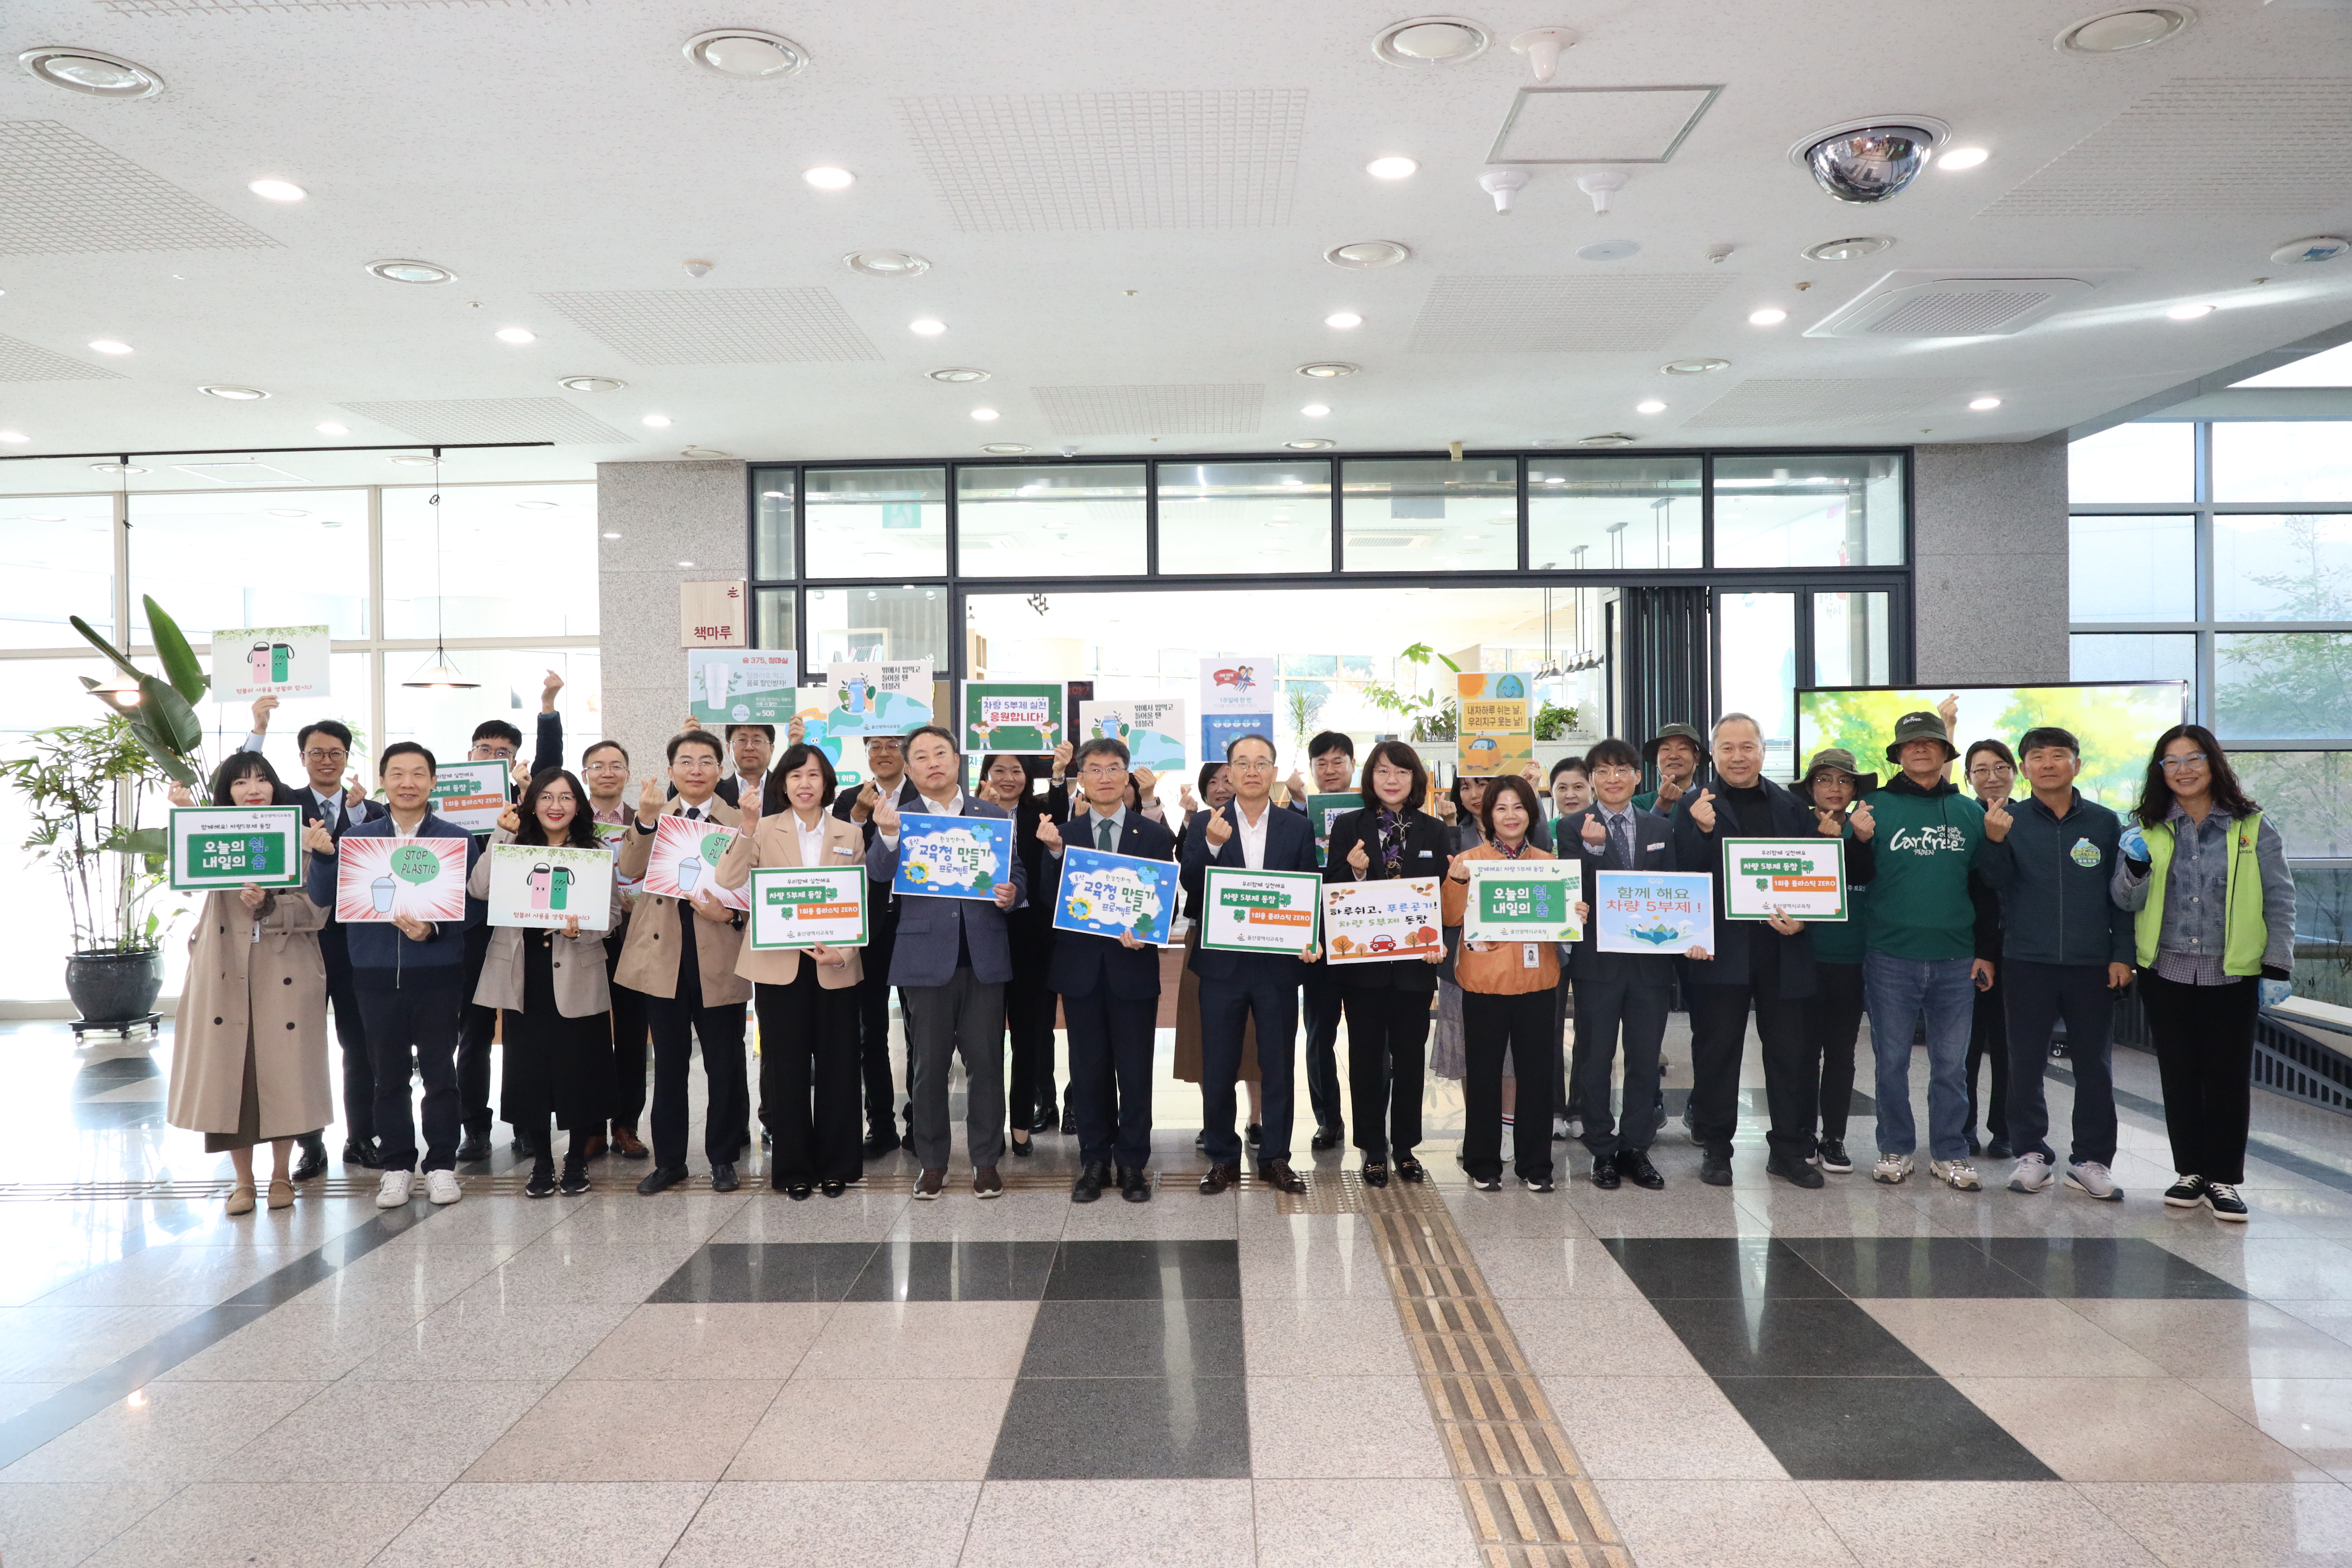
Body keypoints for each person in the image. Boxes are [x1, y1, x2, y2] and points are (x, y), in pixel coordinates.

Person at [2112, 725, 2295, 1223]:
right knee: (2179, 1073)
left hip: (2232, 970)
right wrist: (2134, 866)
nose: (2184, 770)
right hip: (2165, 968)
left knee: (2228, 1076)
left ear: (2213, 764)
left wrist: (2277, 964)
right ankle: (2190, 1171)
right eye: (2172, 762)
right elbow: (2123, 900)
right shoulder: (2148, 827)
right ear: (2161, 771)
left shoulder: (2252, 826)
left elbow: (2280, 898)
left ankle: (2224, 1179)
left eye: (2194, 759)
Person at [305, 742, 482, 1209]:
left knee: (442, 1074)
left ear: (433, 782)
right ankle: (398, 1166)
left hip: (439, 972)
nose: (408, 783)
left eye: (419, 774)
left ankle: (442, 1164)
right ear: (383, 781)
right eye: (398, 774)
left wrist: (435, 927)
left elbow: (477, 906)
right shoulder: (359, 841)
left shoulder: (457, 839)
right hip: (374, 972)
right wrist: (323, 857)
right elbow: (324, 899)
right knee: (388, 1076)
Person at [167, 753, 333, 1214]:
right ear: (227, 794)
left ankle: (282, 1175)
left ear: (276, 787)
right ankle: (243, 1181)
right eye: (241, 783)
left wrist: (268, 906)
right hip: (224, 967)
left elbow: (318, 912)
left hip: (285, 966)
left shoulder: (302, 837)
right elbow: (182, 881)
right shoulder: (211, 832)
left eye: (262, 780)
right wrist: (182, 814)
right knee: (231, 1074)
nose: (253, 789)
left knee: (285, 1072)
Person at [866, 724, 1026, 1199]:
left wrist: (1011, 893)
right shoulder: (901, 814)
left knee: (986, 1065)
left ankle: (984, 1161)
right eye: (922, 756)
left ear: (958, 761)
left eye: (942, 752)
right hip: (923, 958)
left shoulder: (991, 814)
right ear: (911, 769)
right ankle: (932, 1162)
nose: (933, 762)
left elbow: (1015, 873)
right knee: (928, 1069)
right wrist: (889, 837)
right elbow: (877, 872)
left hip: (983, 958)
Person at [1861, 709, 2013, 1191]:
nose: (1921, 749)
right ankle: (1896, 1147)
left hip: (1955, 959)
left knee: (1951, 1065)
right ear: (1899, 754)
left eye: (1930, 742)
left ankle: (1950, 1152)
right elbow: (1854, 877)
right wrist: (1859, 841)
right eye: (1911, 744)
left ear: (1946, 753)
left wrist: (1993, 843)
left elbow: (1990, 887)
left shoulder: (1970, 812)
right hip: (1890, 955)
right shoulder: (1873, 807)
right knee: (1891, 1061)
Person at [1672, 714, 1824, 1188]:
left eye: (1748, 747)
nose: (1738, 757)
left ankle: (1790, 1150)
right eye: (1728, 748)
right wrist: (1698, 832)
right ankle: (1717, 1148)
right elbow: (1681, 877)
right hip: (1720, 949)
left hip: (1783, 946)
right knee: (1717, 1052)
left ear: (1763, 750)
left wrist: (1806, 916)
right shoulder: (1693, 804)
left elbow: (1808, 875)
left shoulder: (1790, 804)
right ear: (1713, 754)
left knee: (1790, 1053)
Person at [714, 743, 867, 1198]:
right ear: (783, 784)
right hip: (780, 969)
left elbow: (857, 904)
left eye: (815, 776)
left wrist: (843, 953)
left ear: (827, 784)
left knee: (840, 1068)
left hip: (834, 967)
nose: (806, 784)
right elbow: (727, 880)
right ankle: (794, 1169)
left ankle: (838, 1163)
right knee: (788, 1070)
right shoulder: (761, 829)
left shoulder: (849, 833)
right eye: (797, 776)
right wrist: (744, 828)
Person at [237, 699, 378, 1176]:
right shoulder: (280, 805)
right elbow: (233, 792)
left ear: (346, 758)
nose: (326, 761)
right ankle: (310, 1143)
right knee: (298, 1045)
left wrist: (358, 819)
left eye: (335, 753)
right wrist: (257, 730)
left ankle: (362, 1137)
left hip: (357, 947)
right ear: (302, 758)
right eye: (316, 753)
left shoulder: (371, 810)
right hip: (295, 944)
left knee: (361, 1045)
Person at [467, 769, 622, 1199]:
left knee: (580, 1073)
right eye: (547, 797)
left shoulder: (593, 851)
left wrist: (582, 931)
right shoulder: (515, 846)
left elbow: (612, 915)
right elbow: (478, 888)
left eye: (567, 797)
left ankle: (575, 1163)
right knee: (528, 1073)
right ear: (532, 803)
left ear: (579, 805)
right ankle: (542, 1164)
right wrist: (501, 832)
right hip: (524, 974)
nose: (557, 805)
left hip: (578, 969)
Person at [1998, 727, 2135, 1201]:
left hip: (2091, 963)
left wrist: (2123, 954)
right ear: (2024, 769)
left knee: (2095, 1066)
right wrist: (1994, 842)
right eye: (2038, 757)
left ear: (2077, 764)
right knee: (2025, 1061)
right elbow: (1993, 885)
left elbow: (2122, 896)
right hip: (2026, 960)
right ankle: (2031, 1153)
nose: (2049, 764)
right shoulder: (2009, 820)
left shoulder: (2103, 823)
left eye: (2060, 755)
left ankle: (2092, 1160)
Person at [1037, 736, 1176, 1203]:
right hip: (1080, 972)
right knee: (1089, 1069)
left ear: (1127, 775)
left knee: (1135, 1072)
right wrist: (1054, 855)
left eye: (1113, 768)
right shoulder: (1063, 834)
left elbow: (1166, 902)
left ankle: (1133, 1163)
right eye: (1094, 769)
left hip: (1132, 969)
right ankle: (1094, 1160)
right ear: (1081, 777)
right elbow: (1045, 901)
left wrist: (1149, 929)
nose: (1104, 777)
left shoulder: (1154, 835)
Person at [1181, 733, 1321, 1196]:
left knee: (1278, 1066)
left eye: (1262, 763)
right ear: (1229, 773)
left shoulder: (1296, 827)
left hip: (1279, 968)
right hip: (1222, 967)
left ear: (1274, 772)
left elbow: (1307, 892)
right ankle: (1221, 1158)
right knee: (1217, 1066)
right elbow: (1191, 889)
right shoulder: (1206, 821)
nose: (1253, 771)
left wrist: (1310, 939)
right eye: (1242, 763)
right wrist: (1213, 848)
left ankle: (1276, 1158)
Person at [614, 730, 751, 1196]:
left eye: (707, 761)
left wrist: (730, 914)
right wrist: (647, 823)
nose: (697, 770)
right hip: (665, 957)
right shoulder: (656, 815)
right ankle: (670, 1161)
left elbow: (758, 890)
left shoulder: (741, 820)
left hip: (721, 955)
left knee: (724, 1064)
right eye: (687, 762)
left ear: (720, 769)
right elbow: (629, 869)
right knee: (669, 1065)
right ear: (671, 770)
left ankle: (724, 1158)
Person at [1323, 740, 1448, 1186]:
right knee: (1366, 1058)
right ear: (1370, 778)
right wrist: (1354, 872)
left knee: (1410, 1057)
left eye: (1401, 772)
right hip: (1363, 971)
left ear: (1415, 779)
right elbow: (1332, 893)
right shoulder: (1348, 826)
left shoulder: (1435, 831)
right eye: (1382, 772)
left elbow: (1443, 897)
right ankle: (1374, 1148)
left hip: (1416, 967)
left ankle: (1407, 1147)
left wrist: (1437, 942)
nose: (1391, 780)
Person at [454, 672, 567, 1163]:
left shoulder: (530, 801)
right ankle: (474, 1128)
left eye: (503, 751)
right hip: (466, 935)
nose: (492, 756)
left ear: (516, 759)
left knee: (523, 1033)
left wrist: (547, 707)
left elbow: (552, 765)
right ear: (470, 753)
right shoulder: (449, 804)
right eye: (484, 748)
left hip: (522, 932)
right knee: (473, 1034)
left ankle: (525, 1124)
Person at [1561, 738, 1679, 1190]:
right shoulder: (1573, 826)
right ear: (1592, 780)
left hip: (1650, 963)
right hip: (1597, 963)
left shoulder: (1659, 828)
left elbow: (1674, 892)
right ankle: (1601, 1149)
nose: (1614, 779)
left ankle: (1635, 1147)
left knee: (1645, 1059)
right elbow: (1570, 890)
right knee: (1594, 1057)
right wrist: (1591, 853)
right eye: (1604, 772)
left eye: (1622, 770)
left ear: (1637, 777)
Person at [1443, 774, 1565, 1192]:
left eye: (1518, 807)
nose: (1510, 816)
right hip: (1483, 985)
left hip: (1538, 982)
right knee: (1483, 1075)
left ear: (1530, 813)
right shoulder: (1470, 861)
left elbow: (1562, 926)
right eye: (1501, 808)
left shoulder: (1549, 864)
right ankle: (1483, 1162)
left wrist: (1575, 912)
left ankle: (1537, 1165)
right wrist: (1456, 882)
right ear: (1488, 814)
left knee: (1537, 1076)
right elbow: (1449, 918)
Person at [1791, 748, 1878, 1176]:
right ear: (1811, 788)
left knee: (1842, 1052)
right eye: (1825, 780)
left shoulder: (1867, 828)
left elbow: (1865, 876)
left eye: (1844, 781)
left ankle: (1835, 1137)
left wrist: (1855, 840)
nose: (1834, 788)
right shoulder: (1796, 827)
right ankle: (1805, 1132)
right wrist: (1821, 843)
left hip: (1853, 958)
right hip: (1806, 956)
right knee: (1804, 1052)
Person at [1174, 761, 1266, 1142]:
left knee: (1256, 1035)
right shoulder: (1199, 826)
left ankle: (1257, 1119)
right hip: (1207, 940)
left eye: (1228, 778)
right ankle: (1215, 1122)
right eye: (1212, 782)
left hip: (1261, 941)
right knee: (1203, 1035)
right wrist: (1209, 838)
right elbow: (1189, 877)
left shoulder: (1270, 824)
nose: (1222, 786)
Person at [837, 734, 920, 1155]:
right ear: (867, 753)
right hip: (866, 929)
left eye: (893, 744)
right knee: (871, 1030)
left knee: (920, 1031)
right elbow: (836, 856)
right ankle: (881, 1125)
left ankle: (919, 1124)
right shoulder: (849, 798)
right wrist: (856, 818)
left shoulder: (924, 796)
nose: (884, 753)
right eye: (876, 746)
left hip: (915, 927)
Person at [986, 748, 1067, 1155]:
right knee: (983, 1042)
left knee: (1028, 1038)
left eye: (1016, 770)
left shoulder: (1039, 815)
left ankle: (1021, 1124)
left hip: (1031, 942)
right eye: (999, 770)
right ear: (985, 776)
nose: (1008, 777)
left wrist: (1057, 775)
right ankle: (987, 1129)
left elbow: (1062, 814)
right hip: (983, 940)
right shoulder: (969, 816)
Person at [1288, 729, 1358, 1153]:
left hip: (1368, 940)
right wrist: (1298, 805)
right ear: (1312, 771)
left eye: (1338, 762)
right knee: (1318, 1036)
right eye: (1322, 764)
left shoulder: (1375, 813)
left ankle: (1373, 1121)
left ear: (1353, 765)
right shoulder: (1297, 816)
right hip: (1318, 946)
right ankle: (1328, 1120)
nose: (1330, 771)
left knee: (1373, 1040)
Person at [580, 739, 649, 1160]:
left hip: (635, 939)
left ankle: (626, 1125)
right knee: (586, 1035)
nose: (608, 772)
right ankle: (589, 1126)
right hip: (583, 941)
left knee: (631, 1035)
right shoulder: (569, 818)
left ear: (627, 774)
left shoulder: (645, 820)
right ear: (586, 773)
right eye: (598, 765)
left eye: (616, 765)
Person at [1962, 738, 2017, 1160]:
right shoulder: (1963, 820)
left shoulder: (2029, 819)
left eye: (2000, 767)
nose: (1991, 777)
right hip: (1967, 950)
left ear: (2015, 773)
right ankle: (1962, 1128)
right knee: (1962, 1048)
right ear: (1968, 778)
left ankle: (2006, 1129)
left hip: (2018, 952)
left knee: (2009, 1047)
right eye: (1981, 770)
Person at [1545, 755, 1592, 1137]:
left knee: (1592, 1029)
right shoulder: (1543, 831)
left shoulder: (1603, 830)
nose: (1571, 794)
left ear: (1592, 788)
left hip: (1595, 941)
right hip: (1552, 944)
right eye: (1562, 787)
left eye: (1578, 786)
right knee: (1550, 1026)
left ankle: (1582, 1108)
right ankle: (1555, 1109)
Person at [1634, 723, 1703, 814]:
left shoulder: (1710, 801)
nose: (1674, 756)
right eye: (1666, 749)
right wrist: (1662, 805)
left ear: (1697, 758)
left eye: (1683, 749)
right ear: (1656, 759)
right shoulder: (1638, 804)